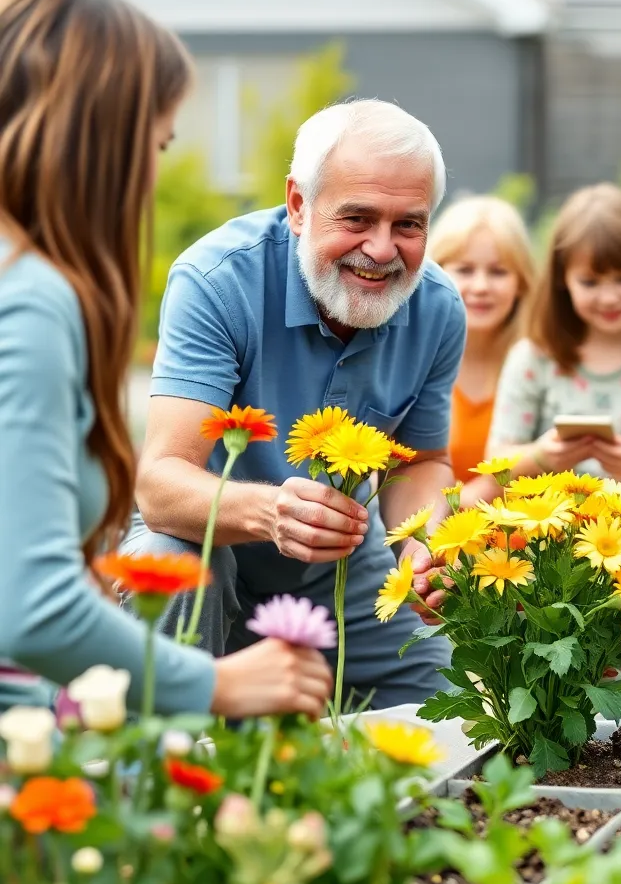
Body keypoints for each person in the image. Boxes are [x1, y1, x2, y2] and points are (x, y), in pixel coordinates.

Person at [0, 0, 332, 717]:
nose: (152, 174)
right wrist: (219, 683)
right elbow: (33, 610)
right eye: (154, 143)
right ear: (98, 140)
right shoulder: (28, 298)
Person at [124, 99, 464, 709]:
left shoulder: (437, 306)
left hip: (341, 573)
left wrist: (426, 541)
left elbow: (422, 462)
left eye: (408, 225)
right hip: (209, 546)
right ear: (299, 204)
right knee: (169, 561)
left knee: (450, 710)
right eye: (357, 218)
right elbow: (159, 485)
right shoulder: (216, 280)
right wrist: (272, 511)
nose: (382, 250)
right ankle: (160, 777)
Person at [486, 184, 621, 485]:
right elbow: (495, 465)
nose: (609, 298)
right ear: (563, 279)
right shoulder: (534, 358)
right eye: (590, 282)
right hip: (550, 528)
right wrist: (540, 456)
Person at [427, 195, 535, 505]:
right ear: (435, 274)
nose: (481, 286)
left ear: (522, 282)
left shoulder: (541, 365)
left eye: (499, 272)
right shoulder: (411, 364)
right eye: (465, 270)